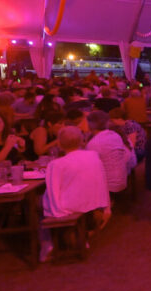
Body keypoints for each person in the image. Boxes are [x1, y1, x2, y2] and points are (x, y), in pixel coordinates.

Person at [41, 126, 111, 262]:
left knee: (39, 204)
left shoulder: (56, 164)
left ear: (59, 144)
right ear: (81, 141)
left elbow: (52, 190)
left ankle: (47, 243)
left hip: (70, 205)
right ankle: (79, 237)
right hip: (93, 202)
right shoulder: (93, 156)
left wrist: (57, 209)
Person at [85, 110, 136, 195]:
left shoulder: (93, 143)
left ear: (90, 125)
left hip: (108, 187)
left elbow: (89, 168)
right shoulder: (115, 135)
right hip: (122, 182)